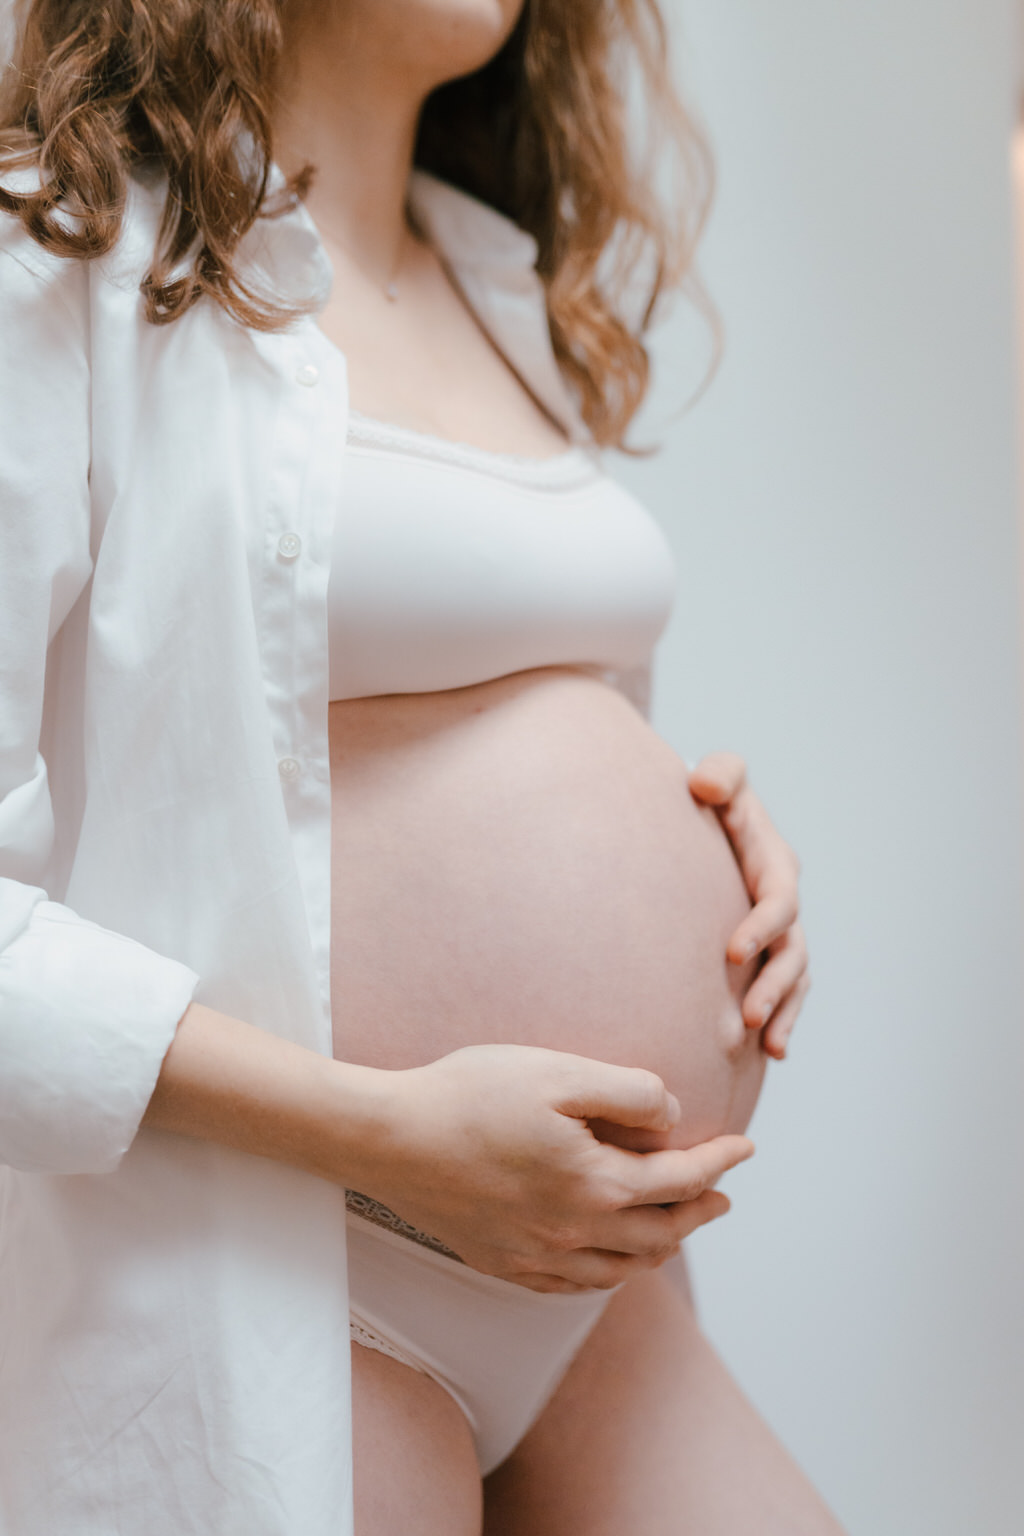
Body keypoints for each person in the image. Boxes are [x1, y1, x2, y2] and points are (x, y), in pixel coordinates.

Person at [0, 0, 843, 1531]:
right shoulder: (53, 256)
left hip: (585, 1287)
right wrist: (390, 1135)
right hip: (290, 1262)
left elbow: (459, 730)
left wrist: (712, 830)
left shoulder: (500, 281)